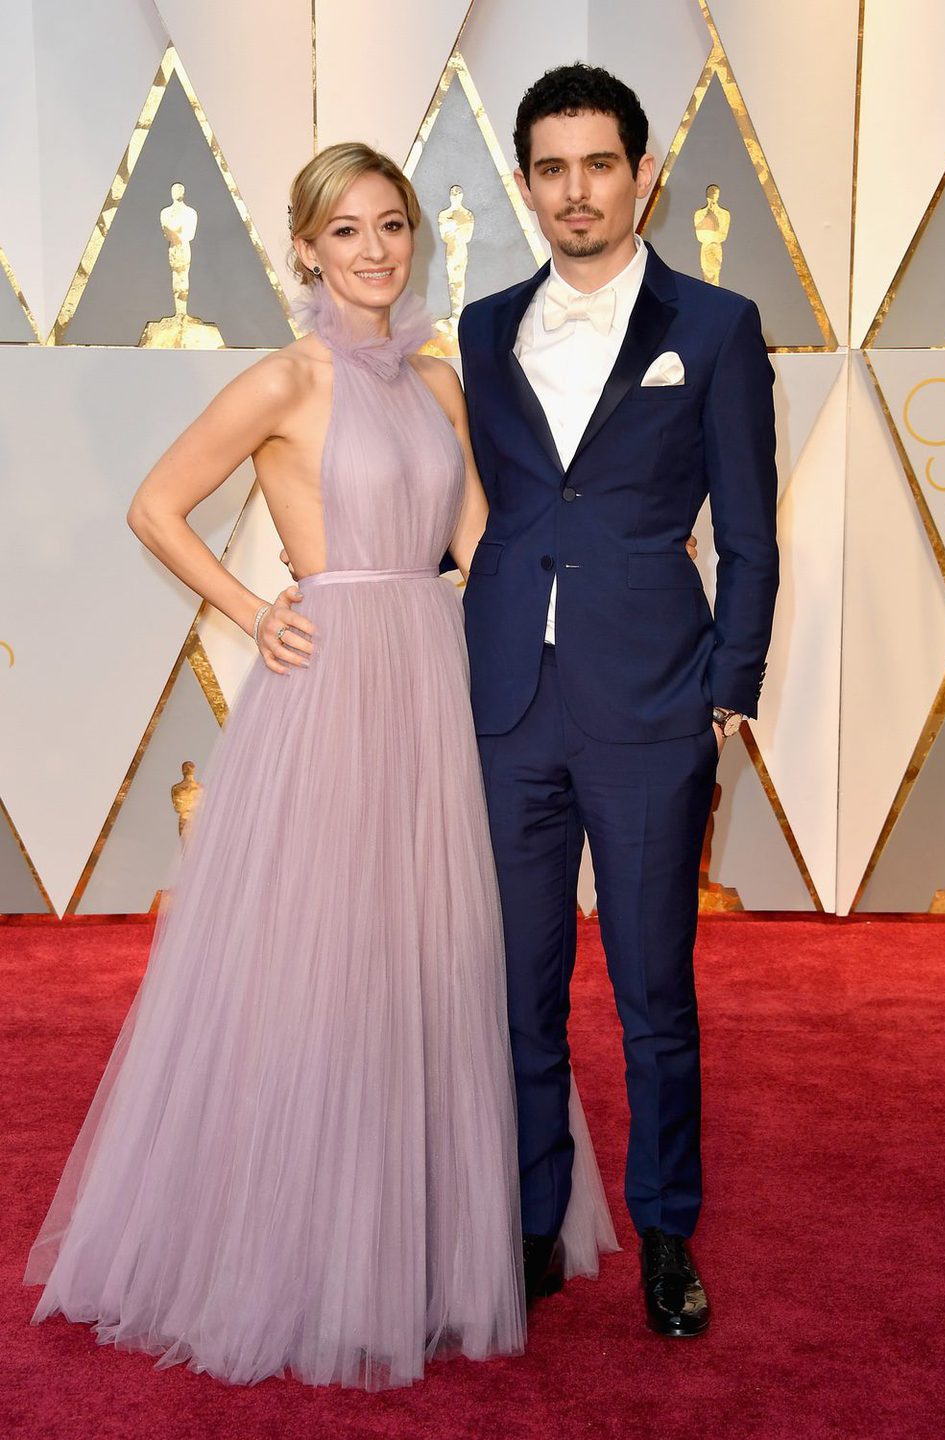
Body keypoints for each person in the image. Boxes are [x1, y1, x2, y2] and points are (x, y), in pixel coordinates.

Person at [24, 142, 616, 1390]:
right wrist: (253, 609)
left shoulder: (442, 382)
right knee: (327, 954)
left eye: (391, 226)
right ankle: (306, 1248)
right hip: (336, 680)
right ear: (305, 247)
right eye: (345, 231)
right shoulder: (282, 382)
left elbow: (485, 547)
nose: (374, 251)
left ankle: (426, 1244)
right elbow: (154, 505)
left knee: (442, 955)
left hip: (440, 675)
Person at [457, 65, 779, 1336]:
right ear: (527, 182)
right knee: (517, 985)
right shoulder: (482, 328)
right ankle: (535, 1225)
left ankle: (664, 1233)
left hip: (654, 705)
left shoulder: (714, 324)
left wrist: (728, 692)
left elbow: (749, 534)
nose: (575, 190)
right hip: (506, 704)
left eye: (600, 163)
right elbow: (476, 509)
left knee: (655, 991)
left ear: (642, 173)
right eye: (551, 167)